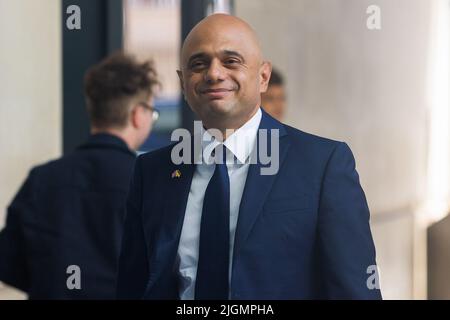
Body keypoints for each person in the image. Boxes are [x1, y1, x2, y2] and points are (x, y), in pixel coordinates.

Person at [117, 14, 382, 300]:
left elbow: (355, 292)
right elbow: (133, 286)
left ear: (263, 77)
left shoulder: (322, 165)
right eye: (198, 63)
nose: (214, 74)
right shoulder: (152, 171)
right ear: (183, 82)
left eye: (231, 61)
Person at [0, 52, 159, 299]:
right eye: (152, 112)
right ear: (138, 114)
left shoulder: (41, 180)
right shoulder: (150, 183)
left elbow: (10, 266)